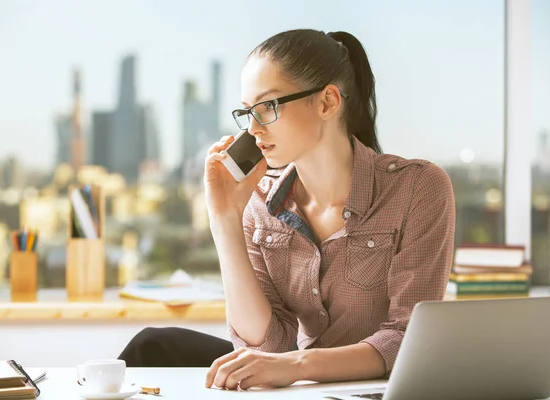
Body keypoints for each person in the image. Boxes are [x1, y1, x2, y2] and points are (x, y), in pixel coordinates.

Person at [118, 28, 455, 390]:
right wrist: (224, 219)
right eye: (247, 111)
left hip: (373, 391)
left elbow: (404, 340)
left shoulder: (418, 188)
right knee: (151, 345)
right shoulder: (261, 204)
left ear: (327, 102)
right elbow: (267, 346)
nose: (253, 129)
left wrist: (297, 365)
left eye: (267, 107)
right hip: (299, 387)